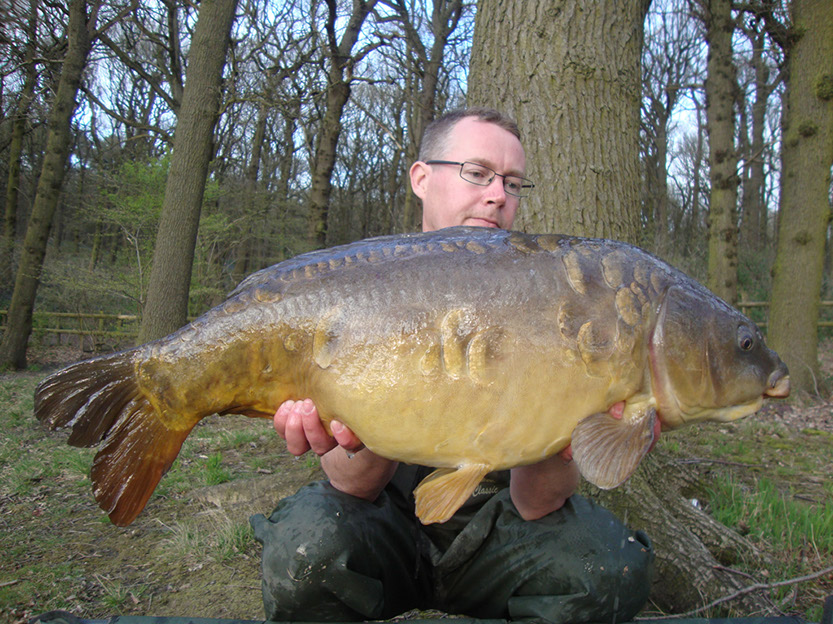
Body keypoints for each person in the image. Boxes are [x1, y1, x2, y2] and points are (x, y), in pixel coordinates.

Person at [250, 107, 654, 623]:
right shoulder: (362, 284)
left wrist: (583, 425)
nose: (497, 194)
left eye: (512, 182)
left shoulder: (555, 300)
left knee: (612, 569)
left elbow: (536, 505)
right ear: (422, 177)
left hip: (498, 531)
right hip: (385, 524)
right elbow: (354, 486)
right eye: (478, 173)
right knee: (304, 546)